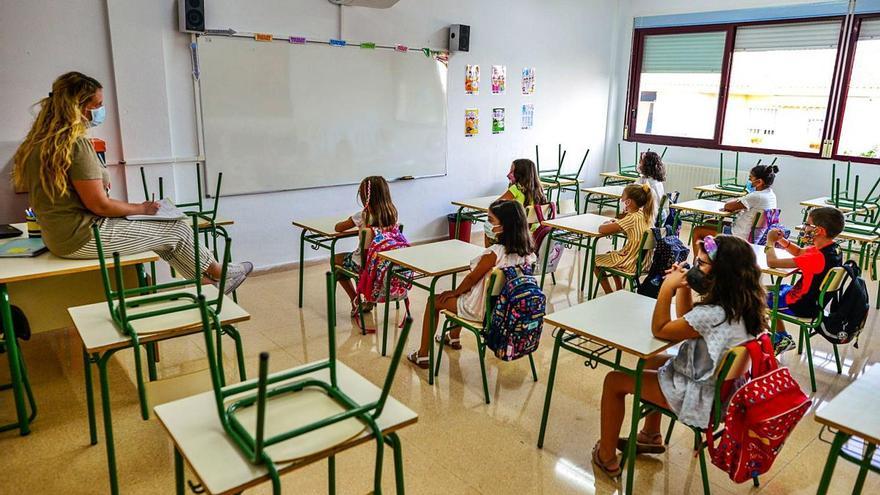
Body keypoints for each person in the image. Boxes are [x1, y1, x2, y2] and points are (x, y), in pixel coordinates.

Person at [12, 72, 251, 293]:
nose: (101, 110)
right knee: (176, 228)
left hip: (58, 237)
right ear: (81, 108)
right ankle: (220, 273)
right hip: (82, 236)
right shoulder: (76, 144)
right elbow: (100, 205)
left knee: (165, 238)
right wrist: (142, 209)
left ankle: (208, 284)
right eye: (97, 105)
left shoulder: (37, 144)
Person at [592, 235, 765, 479]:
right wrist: (684, 287)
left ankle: (606, 456)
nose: (695, 268)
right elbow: (688, 321)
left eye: (702, 264)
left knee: (614, 381)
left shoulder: (714, 314)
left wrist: (667, 288)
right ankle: (650, 435)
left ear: (721, 274)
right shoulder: (741, 304)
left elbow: (661, 329)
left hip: (699, 397)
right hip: (723, 392)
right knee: (651, 359)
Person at [408, 200, 535, 368]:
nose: (487, 224)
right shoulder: (529, 254)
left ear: (505, 225)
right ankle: (453, 337)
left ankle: (423, 354)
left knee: (435, 301)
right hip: (507, 311)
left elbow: (471, 279)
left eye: (491, 220)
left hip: (484, 311)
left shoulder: (495, 253)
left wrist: (455, 292)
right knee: (464, 293)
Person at [765, 206, 844, 354]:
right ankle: (782, 337)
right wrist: (781, 240)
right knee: (761, 291)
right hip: (811, 302)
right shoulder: (832, 248)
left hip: (800, 305)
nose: (805, 227)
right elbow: (799, 252)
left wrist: (770, 242)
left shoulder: (816, 257)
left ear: (819, 230)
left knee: (751, 299)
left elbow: (772, 263)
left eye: (808, 224)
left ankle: (778, 339)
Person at [334, 176, 401, 316]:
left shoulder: (363, 215)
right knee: (361, 261)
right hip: (383, 263)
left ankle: (355, 299)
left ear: (365, 197)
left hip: (364, 264)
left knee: (335, 260)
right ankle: (369, 300)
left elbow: (338, 228)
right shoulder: (392, 214)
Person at [690, 163, 779, 255]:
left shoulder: (756, 196)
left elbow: (728, 206)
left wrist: (739, 201)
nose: (749, 180)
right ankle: (714, 259)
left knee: (697, 231)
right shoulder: (771, 195)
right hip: (754, 236)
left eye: (751, 177)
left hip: (740, 236)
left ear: (759, 182)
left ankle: (700, 263)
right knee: (709, 223)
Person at [594, 183, 654, 294]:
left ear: (628, 202)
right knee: (611, 254)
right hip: (644, 262)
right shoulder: (644, 214)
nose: (621, 199)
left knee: (595, 261)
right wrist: (619, 223)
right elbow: (629, 228)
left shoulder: (631, 218)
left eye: (623, 196)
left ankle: (609, 293)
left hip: (632, 263)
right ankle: (619, 290)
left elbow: (602, 229)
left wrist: (608, 223)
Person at [484, 158, 547, 246]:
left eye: (512, 171)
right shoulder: (539, 191)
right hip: (533, 231)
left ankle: (489, 253)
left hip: (516, 231)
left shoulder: (516, 188)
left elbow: (496, 205)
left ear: (520, 174)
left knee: (488, 226)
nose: (508, 174)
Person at [636, 150, 666, 225]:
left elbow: (632, 194)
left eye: (641, 162)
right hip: (660, 215)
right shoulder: (657, 181)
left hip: (651, 217)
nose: (639, 164)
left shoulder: (645, 182)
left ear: (646, 165)